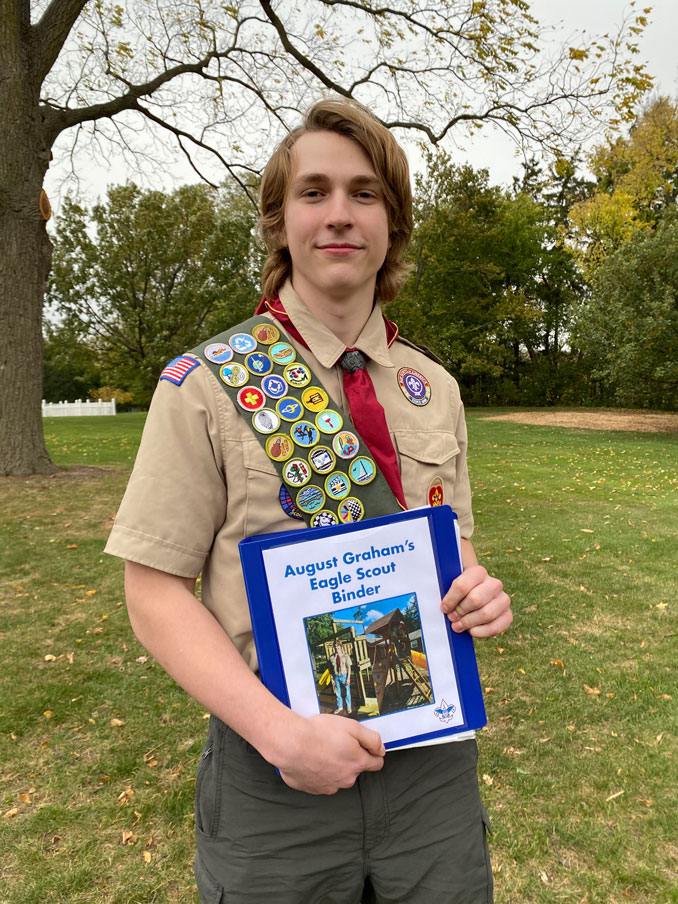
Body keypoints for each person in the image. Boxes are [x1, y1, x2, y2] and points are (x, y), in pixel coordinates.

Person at [105, 96, 512, 903]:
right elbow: (151, 590)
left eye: (365, 194)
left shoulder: (437, 390)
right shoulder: (209, 386)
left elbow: (446, 539)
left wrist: (477, 588)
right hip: (275, 776)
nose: (339, 215)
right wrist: (280, 733)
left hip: (431, 769)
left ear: (392, 223)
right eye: (313, 191)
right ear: (278, 220)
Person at [330, 641, 353, 714]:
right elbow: (330, 669)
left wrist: (348, 678)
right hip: (336, 677)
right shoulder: (332, 657)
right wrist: (332, 679)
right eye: (335, 646)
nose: (336, 647)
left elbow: (349, 667)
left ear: (340, 646)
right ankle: (340, 707)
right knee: (338, 693)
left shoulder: (345, 656)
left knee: (347, 692)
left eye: (337, 646)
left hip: (344, 676)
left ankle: (349, 706)